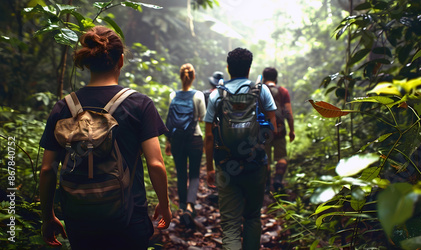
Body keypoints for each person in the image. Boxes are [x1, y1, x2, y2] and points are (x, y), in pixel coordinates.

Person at [39, 26, 172, 249]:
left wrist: (47, 217)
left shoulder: (64, 107)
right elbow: (156, 163)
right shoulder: (140, 104)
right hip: (128, 218)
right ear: (120, 60)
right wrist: (164, 204)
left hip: (79, 219)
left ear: (88, 62)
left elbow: (47, 170)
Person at [204, 47, 277, 249]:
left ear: (228, 68)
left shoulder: (216, 94)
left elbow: (209, 135)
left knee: (230, 224)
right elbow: (273, 128)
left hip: (226, 165)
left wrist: (209, 168)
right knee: (253, 217)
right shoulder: (261, 90)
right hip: (256, 164)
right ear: (249, 68)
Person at [165, 63, 206, 221]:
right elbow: (203, 117)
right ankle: (190, 206)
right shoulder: (198, 95)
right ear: (193, 76)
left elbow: (170, 120)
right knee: (194, 173)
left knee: (181, 173)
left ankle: (182, 207)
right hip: (194, 138)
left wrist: (168, 141)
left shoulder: (173, 95)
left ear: (180, 76)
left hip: (176, 139)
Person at [262, 67, 295, 191]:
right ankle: (277, 180)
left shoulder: (258, 91)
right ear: (276, 78)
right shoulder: (282, 91)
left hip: (263, 131)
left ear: (263, 77)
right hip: (279, 129)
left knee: (265, 158)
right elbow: (288, 112)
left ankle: (266, 184)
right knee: (282, 157)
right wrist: (292, 130)